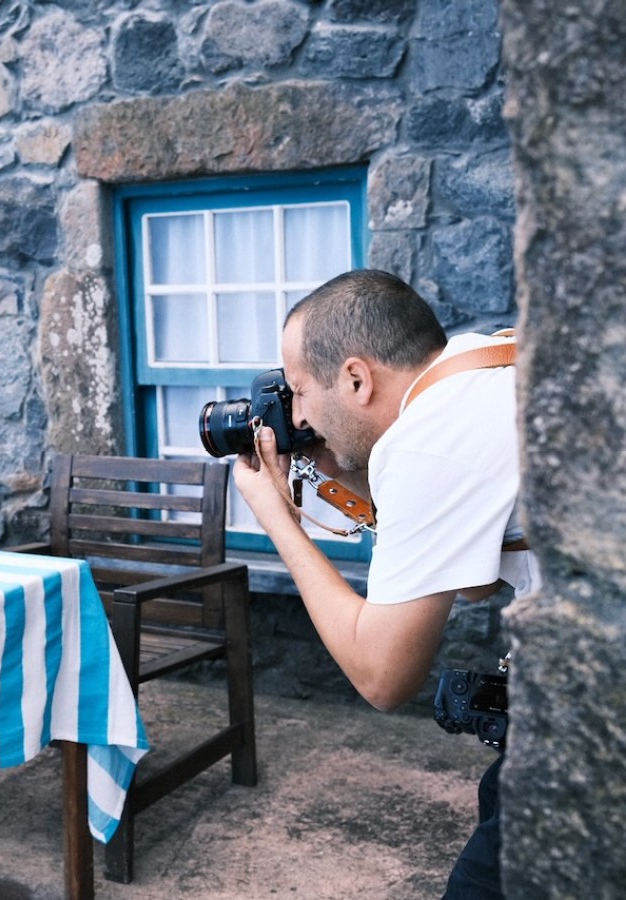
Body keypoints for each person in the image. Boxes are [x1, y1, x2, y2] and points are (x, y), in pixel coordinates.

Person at [232, 269, 539, 900]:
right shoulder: (474, 366)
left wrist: (277, 519)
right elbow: (471, 579)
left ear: (355, 379)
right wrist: (335, 476)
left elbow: (382, 676)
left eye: (298, 392)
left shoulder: (427, 444)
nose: (298, 415)